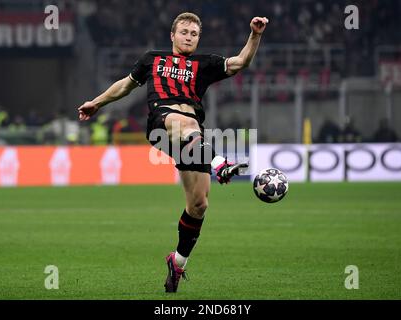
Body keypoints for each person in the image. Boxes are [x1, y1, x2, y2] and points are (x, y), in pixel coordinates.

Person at [77, 12, 268, 293]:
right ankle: (219, 163)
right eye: (184, 32)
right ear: (172, 35)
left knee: (199, 205)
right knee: (188, 123)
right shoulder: (151, 59)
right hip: (163, 126)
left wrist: (255, 34)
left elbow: (241, 62)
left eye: (194, 33)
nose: (188, 37)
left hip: (194, 141)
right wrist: (96, 102)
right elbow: (125, 86)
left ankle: (177, 263)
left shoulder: (205, 64)